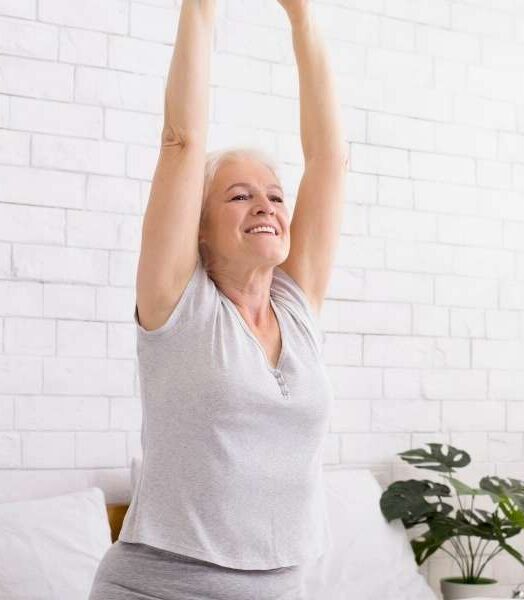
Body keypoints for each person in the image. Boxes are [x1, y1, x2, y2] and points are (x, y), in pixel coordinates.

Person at [88, 0, 346, 597]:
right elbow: (181, 140)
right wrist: (201, 9)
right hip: (159, 586)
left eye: (276, 196)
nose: (266, 205)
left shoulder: (296, 305)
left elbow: (329, 161)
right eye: (238, 196)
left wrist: (303, 18)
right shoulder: (178, 304)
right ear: (199, 227)